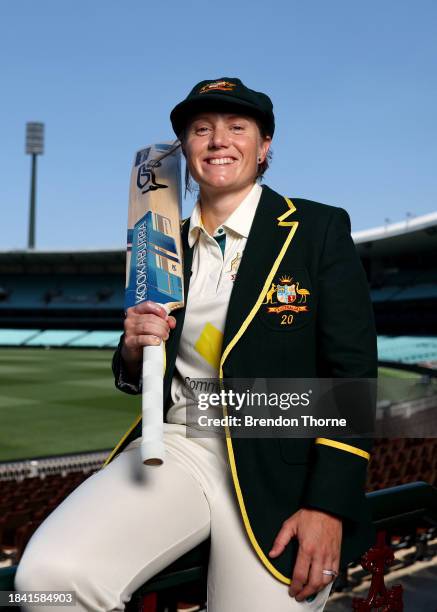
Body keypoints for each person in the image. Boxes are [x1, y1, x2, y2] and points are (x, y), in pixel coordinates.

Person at [15, 77, 377, 612]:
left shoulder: (315, 229)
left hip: (278, 461)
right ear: (184, 149)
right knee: (48, 578)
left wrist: (328, 506)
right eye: (201, 129)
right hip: (178, 445)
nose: (218, 140)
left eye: (237, 127)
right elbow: (141, 369)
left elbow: (351, 375)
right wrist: (135, 348)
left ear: (264, 146)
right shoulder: (160, 245)